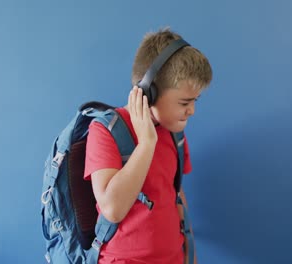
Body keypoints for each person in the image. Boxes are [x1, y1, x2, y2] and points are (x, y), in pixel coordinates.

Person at [84, 27, 212, 264]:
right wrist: (147, 143)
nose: (192, 110)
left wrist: (189, 254)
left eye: (195, 101)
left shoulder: (175, 134)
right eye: (185, 102)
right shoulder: (105, 131)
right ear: (148, 93)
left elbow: (175, 194)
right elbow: (112, 209)